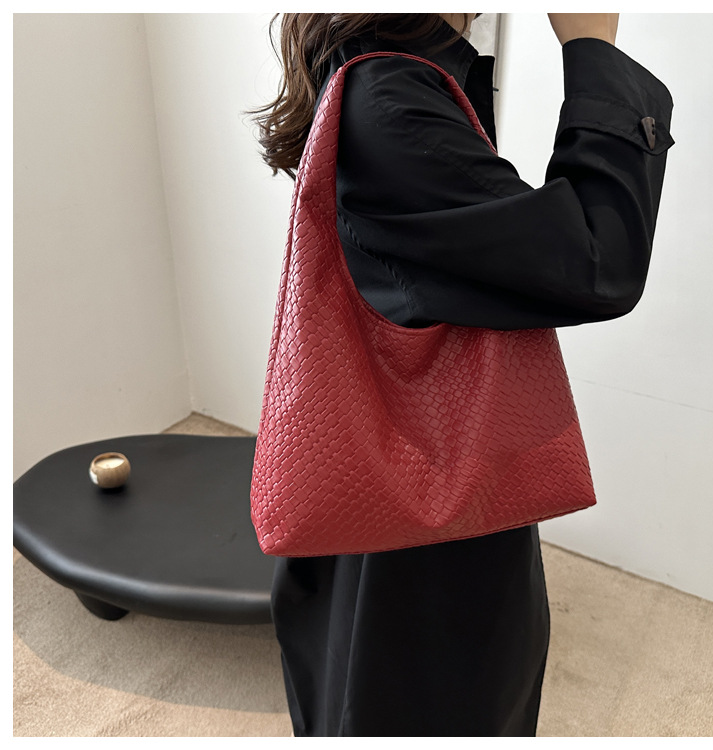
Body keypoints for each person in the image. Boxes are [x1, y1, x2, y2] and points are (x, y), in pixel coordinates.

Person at [250, 13, 674, 737]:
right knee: (434, 696)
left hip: (407, 473)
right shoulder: (391, 96)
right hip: (429, 503)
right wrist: (592, 47)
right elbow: (599, 262)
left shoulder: (385, 68)